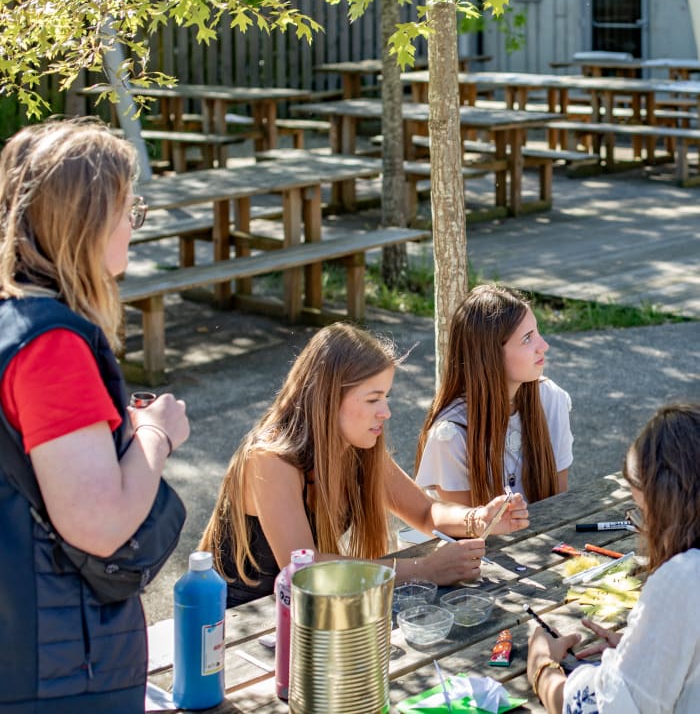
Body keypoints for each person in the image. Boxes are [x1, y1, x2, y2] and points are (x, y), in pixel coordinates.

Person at [0, 119, 190, 713]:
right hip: (57, 671)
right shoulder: (49, 344)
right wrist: (157, 434)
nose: (134, 226)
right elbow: (101, 523)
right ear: (87, 222)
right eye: (129, 210)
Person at [199, 322, 529, 607]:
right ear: (327, 400)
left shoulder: (357, 447)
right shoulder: (270, 459)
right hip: (233, 624)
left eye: (386, 397)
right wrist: (423, 570)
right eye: (372, 399)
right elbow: (303, 568)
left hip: (306, 614)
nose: (385, 412)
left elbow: (426, 513)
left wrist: (477, 518)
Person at [527, 403, 700, 713]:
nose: (643, 532)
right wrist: (644, 649)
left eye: (647, 516)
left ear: (673, 510)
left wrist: (543, 670)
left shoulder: (683, 578)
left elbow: (604, 709)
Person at [414, 284, 573, 506]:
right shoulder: (450, 435)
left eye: (537, 332)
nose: (543, 345)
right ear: (489, 356)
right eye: (527, 338)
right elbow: (464, 532)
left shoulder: (551, 399)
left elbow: (558, 505)